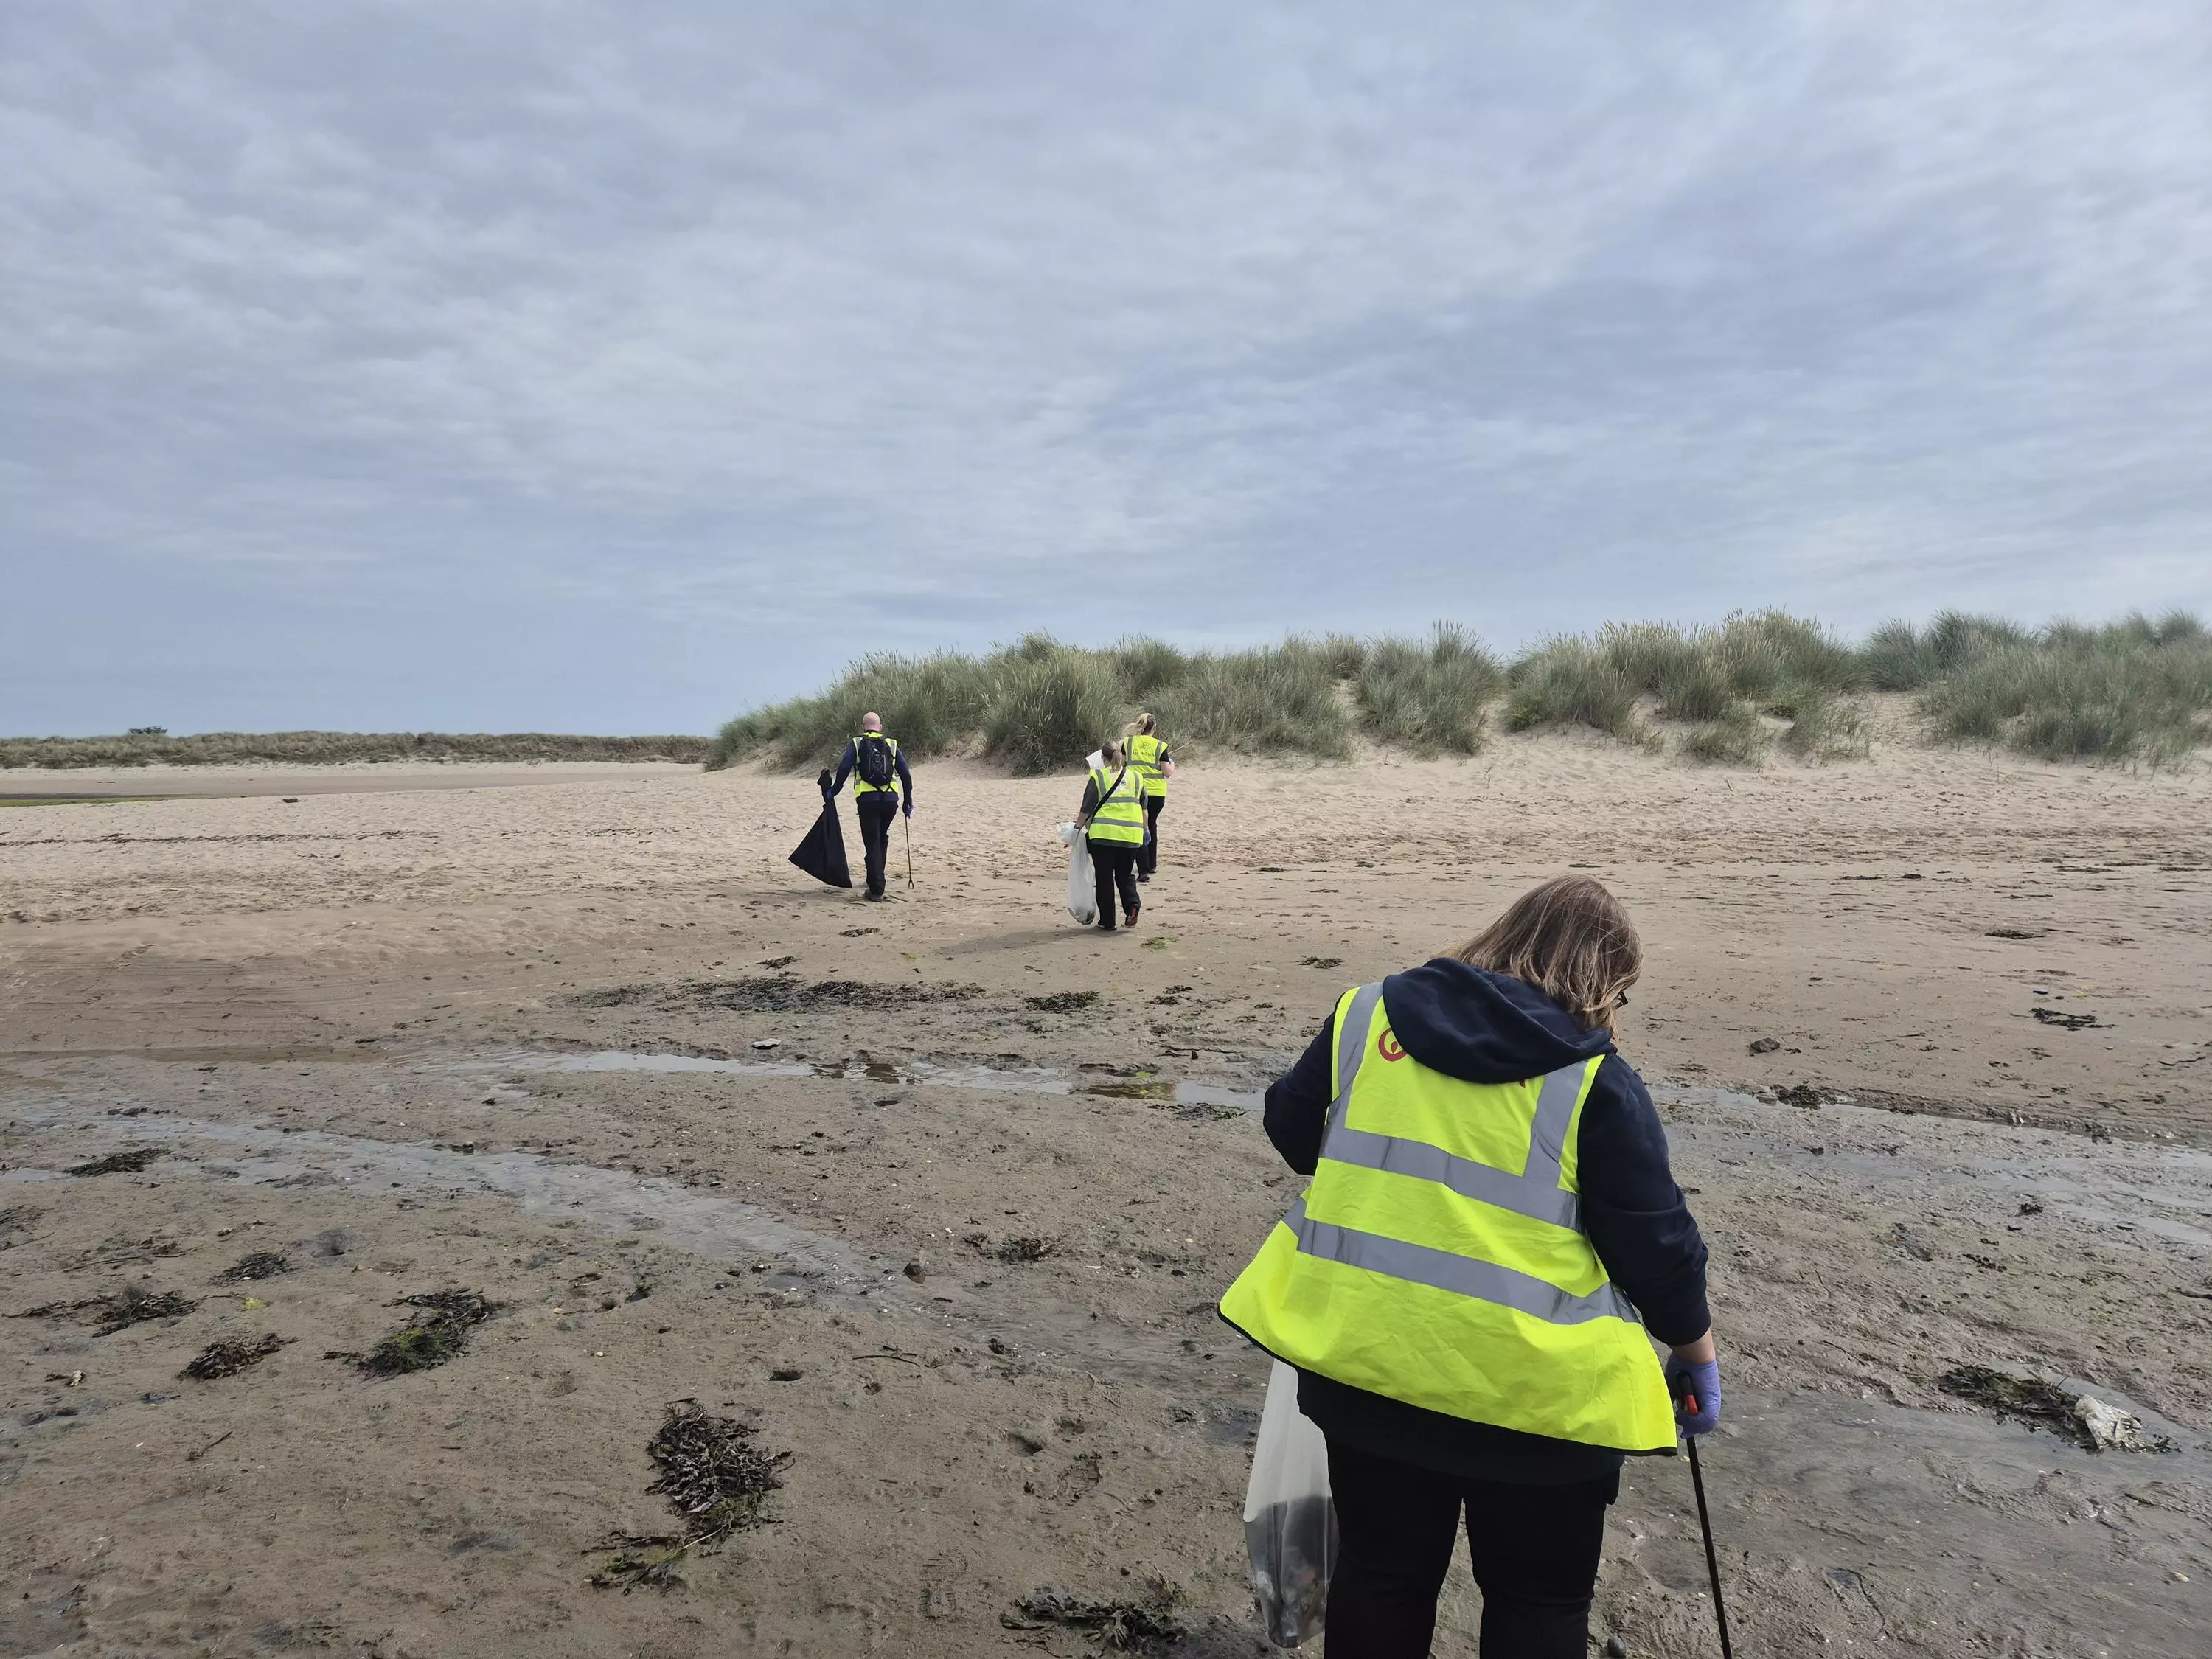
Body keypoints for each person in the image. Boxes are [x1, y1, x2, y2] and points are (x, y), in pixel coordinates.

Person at [1218, 876, 1717, 1659]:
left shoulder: (1365, 1015)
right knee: (1539, 1600)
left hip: (1370, 1369)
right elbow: (1660, 1252)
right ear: (1604, 979)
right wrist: (1696, 1356)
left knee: (1381, 1575)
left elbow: (1292, 1129)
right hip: (1540, 1407)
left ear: (1504, 935)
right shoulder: (1596, 1082)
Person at [827, 712, 914, 901]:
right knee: (882, 837)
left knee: (872, 840)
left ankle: (876, 890)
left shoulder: (857, 743)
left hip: (867, 800)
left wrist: (834, 790)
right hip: (891, 800)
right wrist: (908, 802)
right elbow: (906, 774)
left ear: (863, 726)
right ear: (880, 727)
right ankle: (875, 877)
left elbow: (843, 769)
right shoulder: (891, 743)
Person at [1074, 737, 1147, 931]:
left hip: (1103, 837)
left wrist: (1076, 828)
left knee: (1105, 878)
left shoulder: (1099, 777)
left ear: (1102, 757)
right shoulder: (1137, 777)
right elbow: (1144, 808)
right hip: (1131, 836)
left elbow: (1087, 807)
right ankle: (1132, 907)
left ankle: (1108, 922)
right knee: (1125, 877)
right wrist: (1145, 831)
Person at [1124, 712, 1175, 883]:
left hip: (1133, 790)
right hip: (1156, 793)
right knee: (1150, 825)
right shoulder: (1160, 746)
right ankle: (1151, 864)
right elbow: (1167, 772)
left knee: (1134, 827)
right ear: (1154, 728)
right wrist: (1172, 764)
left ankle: (1132, 863)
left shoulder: (1128, 743)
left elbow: (1121, 765)